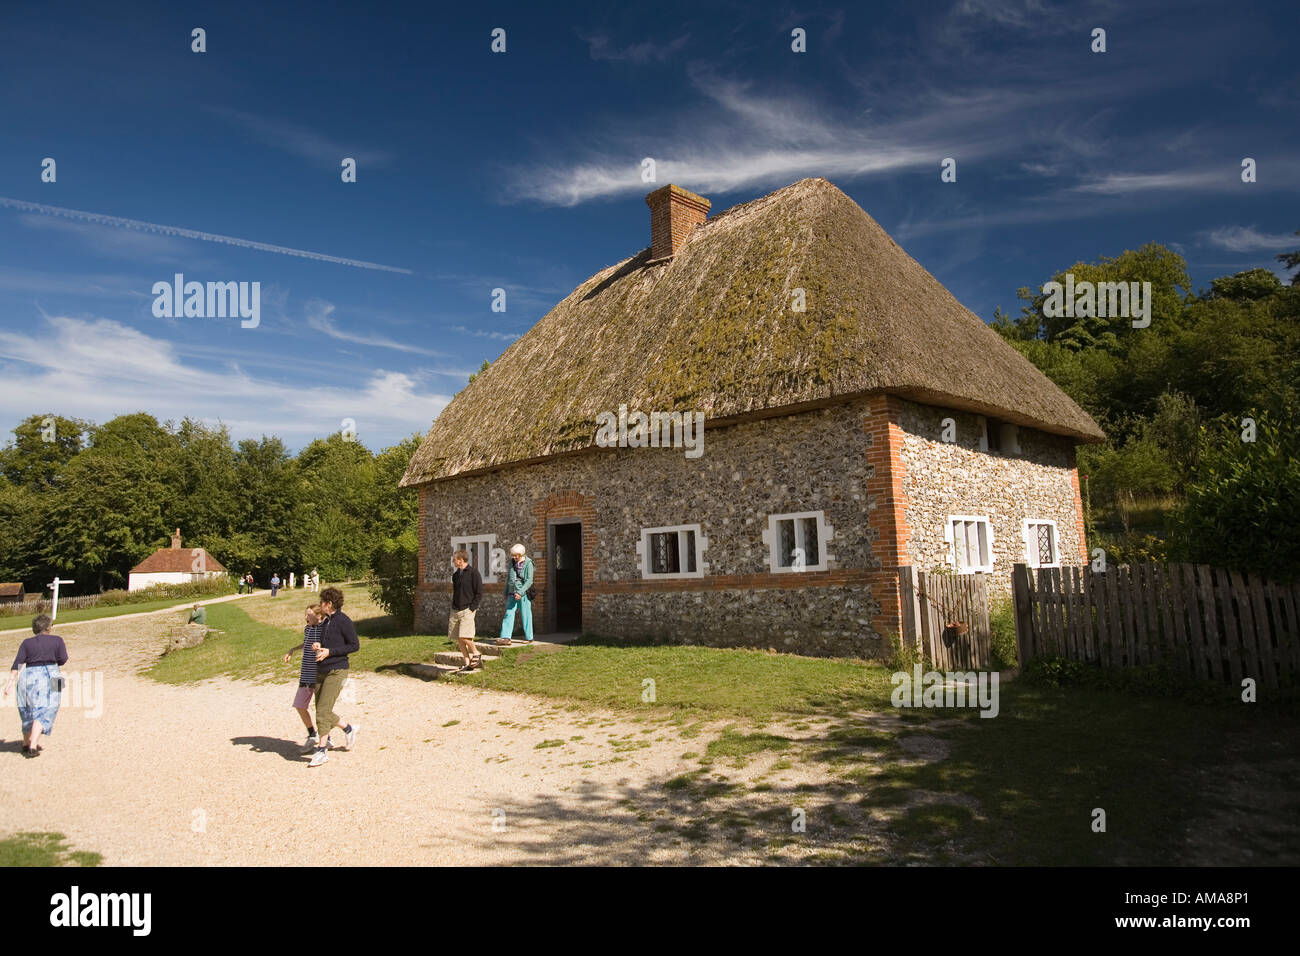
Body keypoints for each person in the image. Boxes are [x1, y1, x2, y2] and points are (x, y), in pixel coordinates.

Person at [3, 614, 69, 758]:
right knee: (47, 708)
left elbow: (18, 663)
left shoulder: (26, 643)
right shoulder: (57, 640)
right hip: (52, 673)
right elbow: (63, 659)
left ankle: (26, 743)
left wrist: (9, 683)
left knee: (26, 708)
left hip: (27, 675)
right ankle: (33, 746)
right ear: (48, 627)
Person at [308, 587, 360, 768]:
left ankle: (321, 750)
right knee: (322, 710)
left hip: (337, 670)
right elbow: (328, 642)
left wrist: (331, 652)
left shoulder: (343, 621)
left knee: (322, 711)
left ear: (329, 604)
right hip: (321, 668)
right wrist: (319, 645)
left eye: (322, 602)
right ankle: (348, 728)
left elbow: (354, 645)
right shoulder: (325, 622)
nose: (320, 605)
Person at [283, 604, 324, 752]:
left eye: (308, 614)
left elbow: (328, 646)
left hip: (318, 674)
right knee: (300, 705)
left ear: (318, 616)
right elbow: (306, 644)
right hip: (305, 673)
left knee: (323, 710)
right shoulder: (308, 629)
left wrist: (320, 648)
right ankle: (312, 734)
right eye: (305, 614)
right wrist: (292, 650)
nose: (305, 617)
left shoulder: (323, 629)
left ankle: (342, 731)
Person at [450, 549, 483, 670]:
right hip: (455, 610)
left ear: (460, 560)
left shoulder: (474, 573)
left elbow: (479, 593)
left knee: (464, 636)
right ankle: (467, 663)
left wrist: (472, 608)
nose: (453, 562)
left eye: (455, 559)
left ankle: (476, 653)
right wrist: (453, 606)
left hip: (467, 609)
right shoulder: (455, 575)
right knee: (459, 639)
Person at [498, 544, 535, 644]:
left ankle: (529, 637)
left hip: (523, 594)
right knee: (508, 614)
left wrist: (520, 592)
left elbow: (529, 581)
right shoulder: (512, 562)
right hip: (511, 592)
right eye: (513, 555)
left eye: (516, 555)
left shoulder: (528, 563)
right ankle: (506, 637)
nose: (514, 557)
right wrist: (506, 592)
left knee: (526, 615)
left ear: (522, 554)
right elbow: (509, 578)